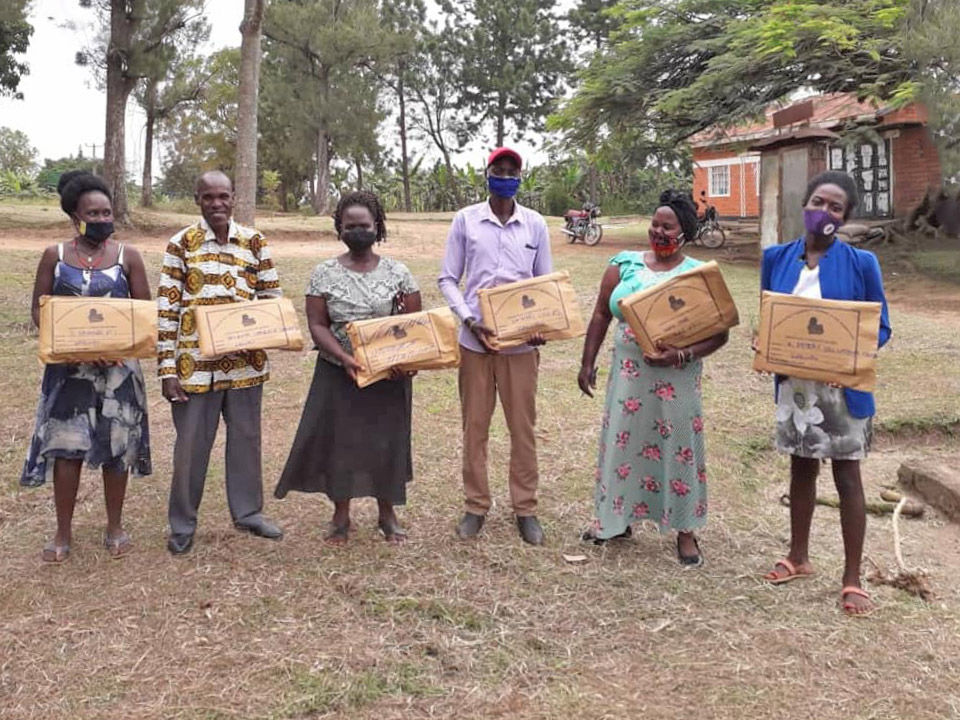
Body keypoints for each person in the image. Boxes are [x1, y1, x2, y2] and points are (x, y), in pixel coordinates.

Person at [759, 170, 891, 615]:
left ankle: (852, 578)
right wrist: (765, 343)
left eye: (836, 207)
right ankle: (798, 556)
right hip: (797, 391)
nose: (825, 212)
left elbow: (881, 328)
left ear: (845, 217)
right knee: (801, 468)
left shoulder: (862, 264)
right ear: (805, 205)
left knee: (847, 477)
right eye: (819, 202)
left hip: (843, 389)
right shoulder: (776, 258)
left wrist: (846, 360)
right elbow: (770, 316)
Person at [578, 190, 728, 566]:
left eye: (668, 226)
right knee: (624, 445)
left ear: (685, 231)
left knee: (678, 448)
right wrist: (587, 362)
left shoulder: (697, 274)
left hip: (676, 379)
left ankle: (685, 530)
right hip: (629, 377)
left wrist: (681, 355)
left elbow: (721, 331)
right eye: (655, 224)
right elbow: (600, 315)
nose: (659, 232)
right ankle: (616, 520)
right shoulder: (622, 264)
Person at [274, 191, 421, 544]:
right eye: (350, 226)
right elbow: (317, 325)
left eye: (364, 225)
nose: (357, 231)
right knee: (338, 443)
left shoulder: (399, 273)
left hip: (386, 375)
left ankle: (387, 514)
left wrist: (405, 361)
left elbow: (414, 325)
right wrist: (344, 358)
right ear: (339, 228)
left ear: (377, 227)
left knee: (387, 442)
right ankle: (341, 516)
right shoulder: (323, 273)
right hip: (337, 372)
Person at [23, 171, 152, 562]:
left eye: (107, 212)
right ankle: (63, 532)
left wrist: (114, 345)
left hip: (119, 373)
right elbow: (38, 311)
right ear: (74, 216)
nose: (101, 219)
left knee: (117, 449)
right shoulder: (55, 256)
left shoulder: (128, 256)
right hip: (69, 373)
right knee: (67, 450)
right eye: (92, 213)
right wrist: (76, 346)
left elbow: (143, 314)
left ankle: (115, 525)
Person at [157, 170, 284, 555]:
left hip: (246, 366)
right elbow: (167, 310)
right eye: (208, 197)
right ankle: (182, 524)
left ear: (233, 198)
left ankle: (248, 513)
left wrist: (254, 327)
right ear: (197, 199)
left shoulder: (254, 242)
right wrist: (166, 369)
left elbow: (273, 298)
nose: (217, 203)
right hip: (194, 368)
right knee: (191, 446)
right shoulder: (182, 244)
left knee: (246, 441)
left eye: (223, 196)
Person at [438, 146, 552, 545]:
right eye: (498, 169)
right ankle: (475, 506)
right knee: (475, 429)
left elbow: (544, 287)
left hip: (521, 349)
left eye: (512, 170)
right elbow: (448, 278)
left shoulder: (535, 225)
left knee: (522, 430)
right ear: (486, 174)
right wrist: (469, 319)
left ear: (521, 178)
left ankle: (526, 509)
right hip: (475, 344)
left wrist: (539, 327)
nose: (505, 175)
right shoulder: (466, 221)